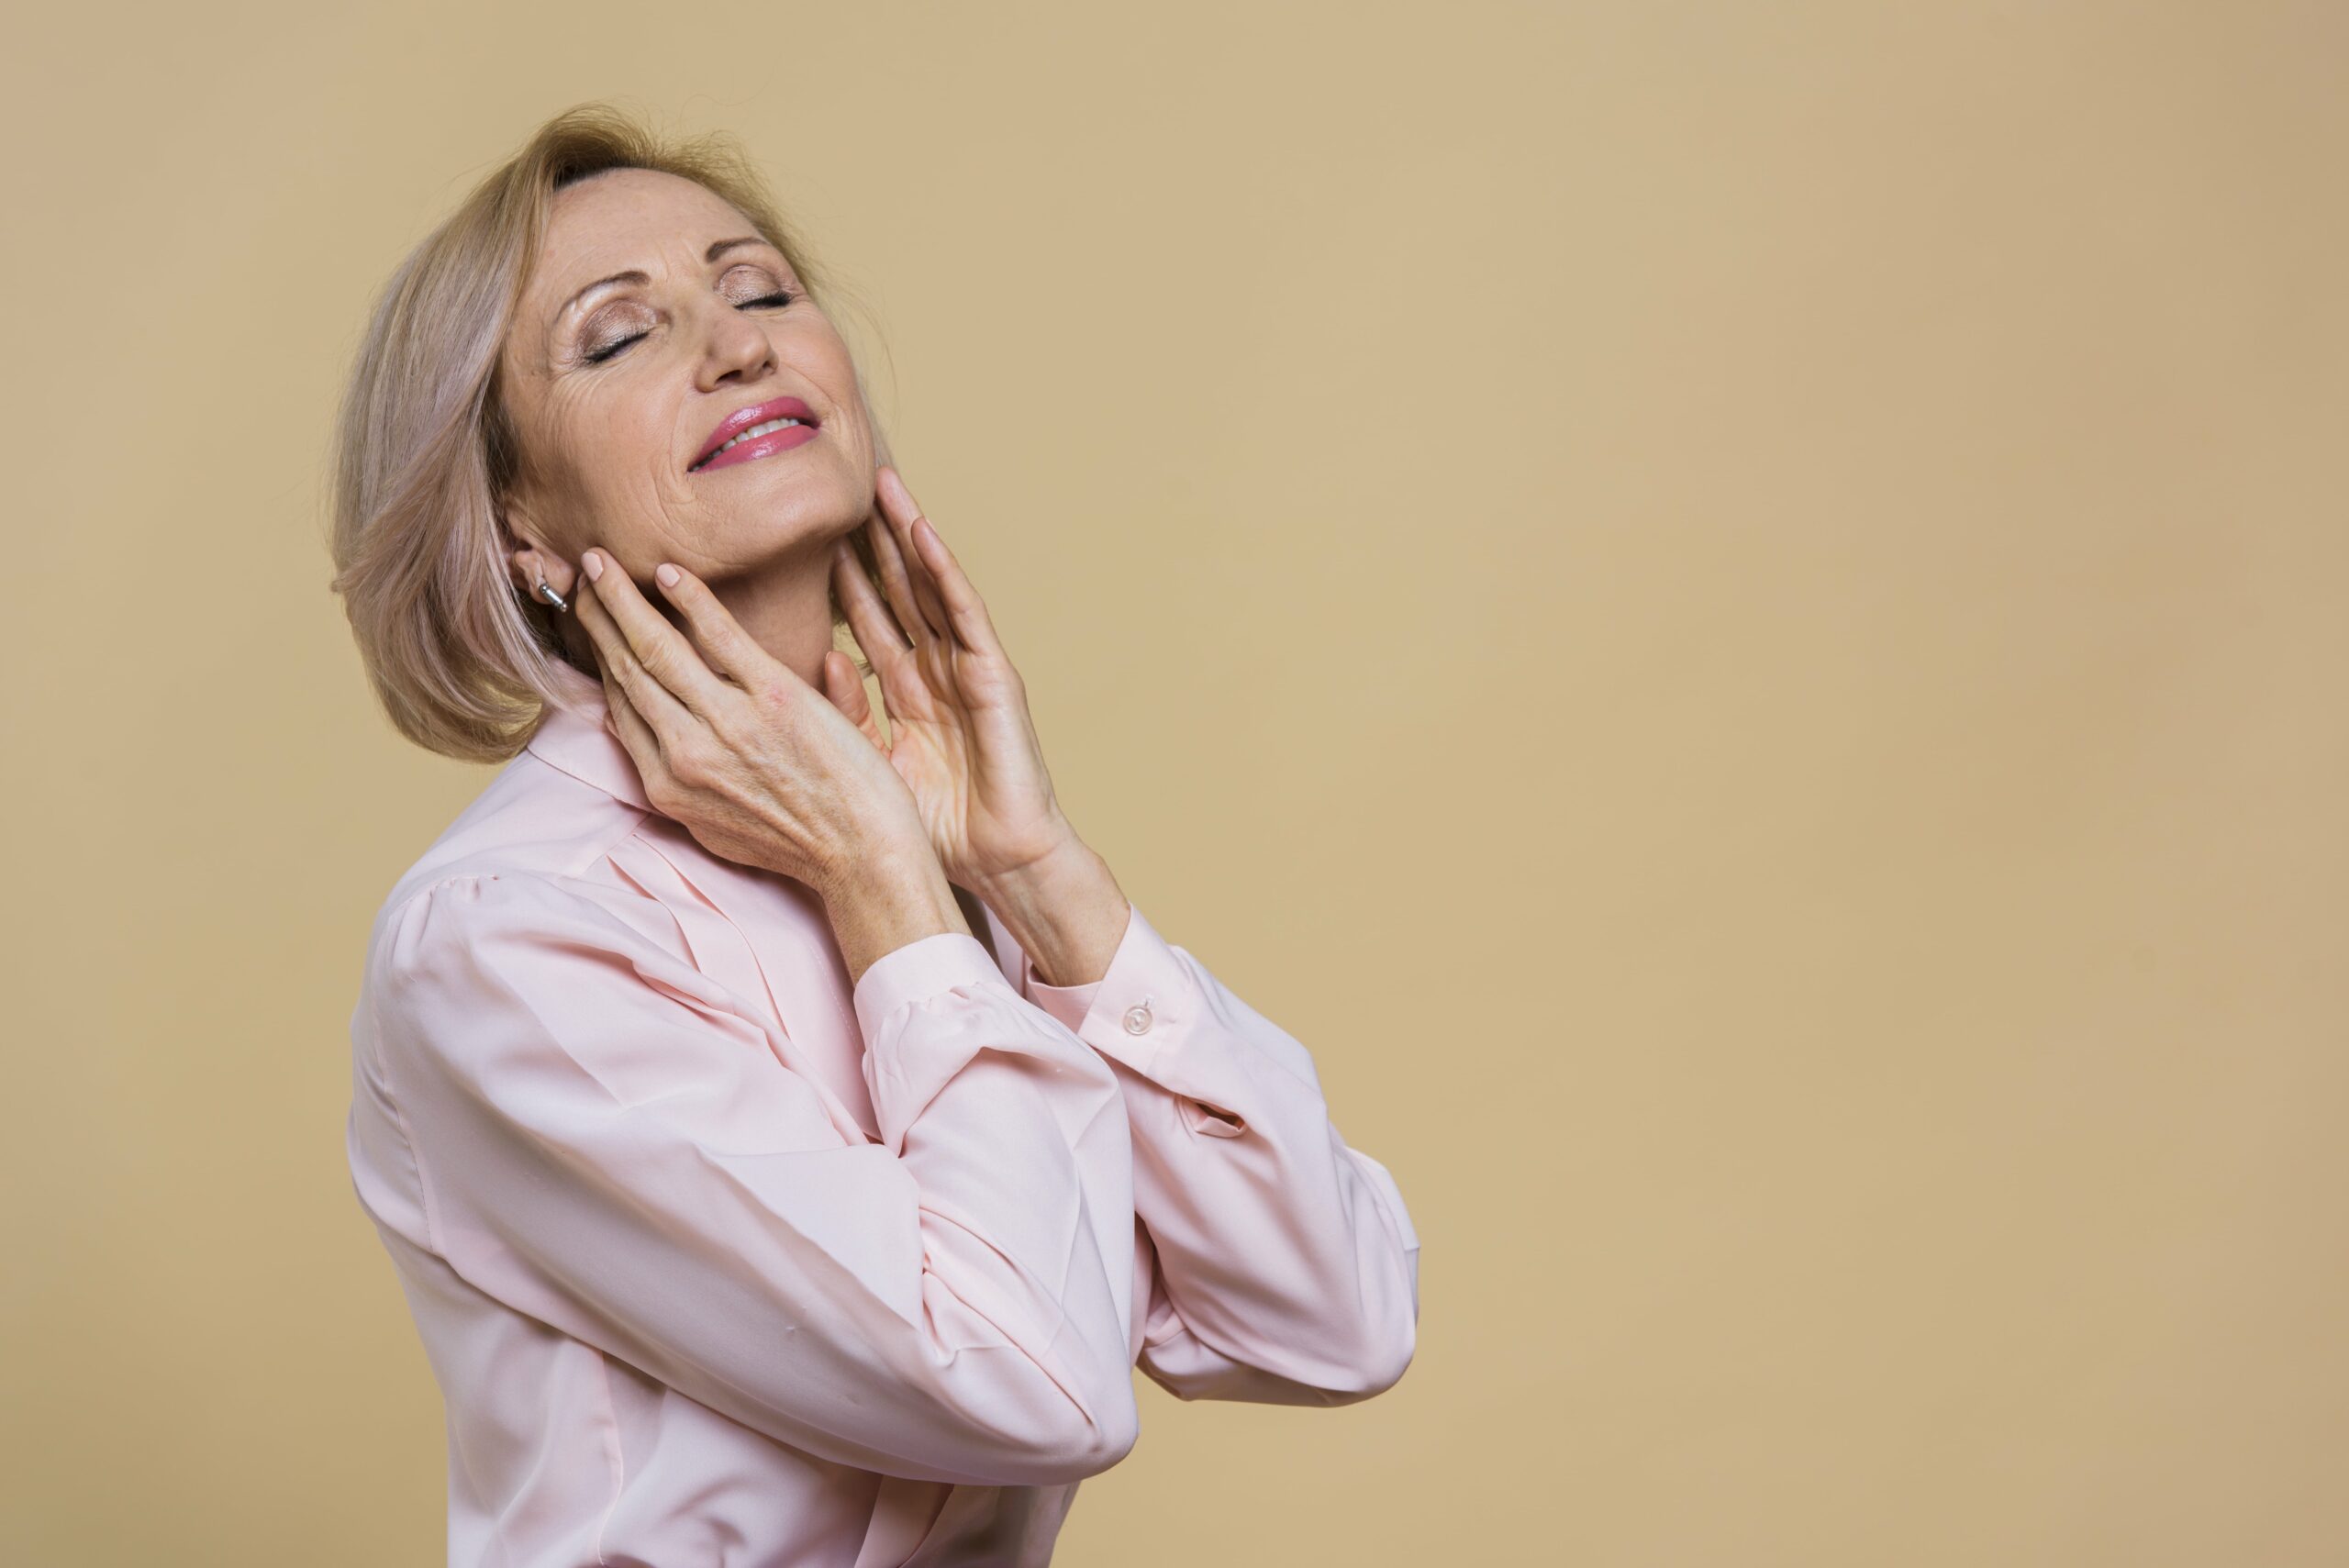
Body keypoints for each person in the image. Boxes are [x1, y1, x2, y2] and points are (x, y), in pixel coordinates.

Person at [328, 102, 1419, 1568]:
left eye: (760, 287)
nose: (736, 346)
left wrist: (1035, 879)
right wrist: (888, 894)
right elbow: (1033, 1383)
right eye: (618, 335)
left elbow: (1334, 1315)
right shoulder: (507, 933)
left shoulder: (920, 843)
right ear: (516, 516)